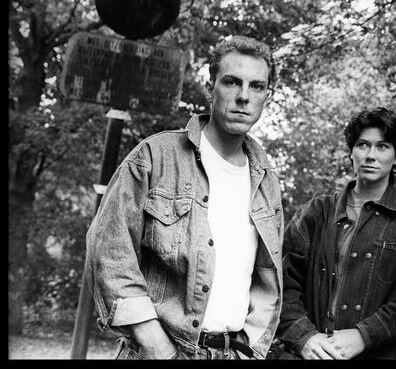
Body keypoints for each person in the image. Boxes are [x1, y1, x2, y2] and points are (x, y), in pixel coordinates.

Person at [84, 35, 284, 359]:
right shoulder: (155, 156)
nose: (243, 97)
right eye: (231, 82)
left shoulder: (266, 180)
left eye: (256, 86)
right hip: (158, 351)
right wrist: (154, 343)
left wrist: (252, 349)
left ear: (267, 95)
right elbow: (109, 248)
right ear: (210, 88)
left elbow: (267, 277)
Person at [277, 107, 396, 359]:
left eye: (382, 147)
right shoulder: (316, 213)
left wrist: (364, 335)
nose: (370, 155)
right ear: (351, 153)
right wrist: (304, 337)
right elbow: (283, 283)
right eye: (362, 145)